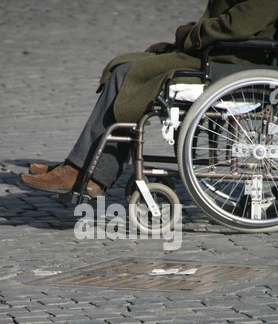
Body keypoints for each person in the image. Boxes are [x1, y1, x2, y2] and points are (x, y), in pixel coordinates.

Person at [21, 0, 278, 197]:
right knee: (123, 66)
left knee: (128, 74)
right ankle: (81, 167)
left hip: (230, 62)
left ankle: (88, 174)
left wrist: (191, 35)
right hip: (222, 56)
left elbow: (234, 25)